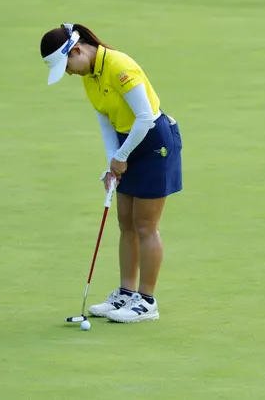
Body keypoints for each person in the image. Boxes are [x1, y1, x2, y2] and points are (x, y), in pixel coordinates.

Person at [40, 23, 182, 323]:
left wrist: (121, 157)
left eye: (67, 66)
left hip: (154, 143)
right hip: (126, 144)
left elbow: (144, 117)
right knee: (125, 221)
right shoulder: (90, 76)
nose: (69, 73)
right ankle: (126, 293)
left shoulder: (119, 66)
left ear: (78, 50)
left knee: (145, 225)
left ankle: (147, 301)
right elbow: (106, 123)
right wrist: (111, 164)